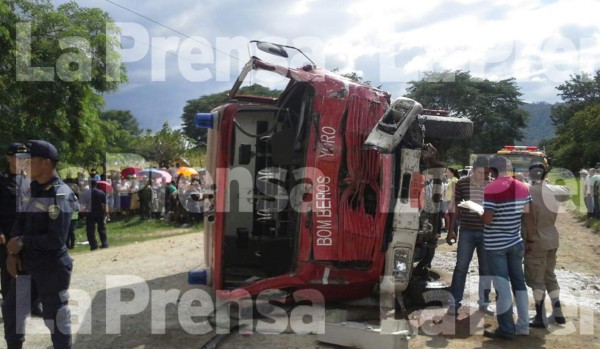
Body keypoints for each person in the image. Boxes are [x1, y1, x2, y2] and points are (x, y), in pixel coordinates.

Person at [3, 140, 76, 349]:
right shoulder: (30, 189)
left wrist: (23, 241)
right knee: (12, 310)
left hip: (51, 268)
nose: (24, 165)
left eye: (30, 160)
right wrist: (12, 253)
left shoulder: (60, 194)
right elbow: (19, 222)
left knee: (55, 317)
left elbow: (55, 239)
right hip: (27, 266)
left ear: (46, 163)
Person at [481, 155, 535, 340]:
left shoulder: (491, 188)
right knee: (519, 284)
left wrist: (481, 213)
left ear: (493, 170)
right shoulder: (523, 187)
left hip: (496, 245)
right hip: (516, 241)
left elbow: (488, 219)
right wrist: (530, 241)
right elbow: (528, 216)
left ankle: (506, 329)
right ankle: (523, 326)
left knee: (502, 287)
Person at [525, 164, 571, 328]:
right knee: (550, 276)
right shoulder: (555, 191)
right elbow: (567, 190)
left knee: (537, 279)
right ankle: (558, 313)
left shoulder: (527, 191)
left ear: (530, 176)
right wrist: (548, 183)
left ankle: (539, 317)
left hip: (535, 240)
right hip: (552, 238)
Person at [446, 156, 493, 316]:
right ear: (473, 170)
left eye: (486, 173)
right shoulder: (462, 183)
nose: (483, 176)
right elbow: (456, 209)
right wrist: (451, 229)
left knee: (486, 269)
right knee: (461, 267)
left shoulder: (492, 185)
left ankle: (484, 303)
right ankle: (454, 303)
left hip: (486, 232)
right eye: (480, 173)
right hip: (466, 230)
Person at [86, 179, 109, 250]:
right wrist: (106, 213)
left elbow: (82, 205)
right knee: (101, 228)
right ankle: (104, 243)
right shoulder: (101, 192)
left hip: (90, 213)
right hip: (100, 212)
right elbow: (105, 204)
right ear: (96, 184)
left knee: (90, 230)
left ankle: (93, 245)